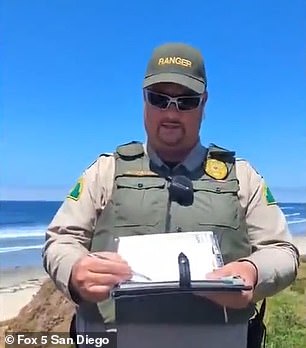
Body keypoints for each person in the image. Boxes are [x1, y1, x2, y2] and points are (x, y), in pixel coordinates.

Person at [42, 42, 300, 345]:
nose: (171, 112)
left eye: (186, 101)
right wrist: (74, 270)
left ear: (204, 103)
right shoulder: (105, 172)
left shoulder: (241, 176)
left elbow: (282, 251)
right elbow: (61, 239)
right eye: (159, 99)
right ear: (144, 99)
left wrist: (253, 272)